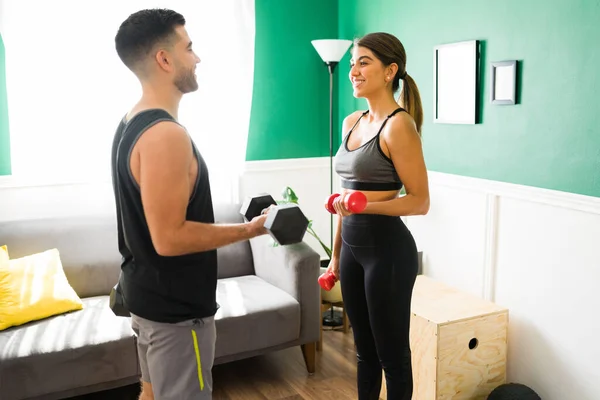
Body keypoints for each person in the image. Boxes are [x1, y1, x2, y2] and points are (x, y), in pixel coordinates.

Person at [111, 9, 269, 400]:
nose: (197, 58)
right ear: (164, 60)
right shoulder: (166, 135)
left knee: (150, 395)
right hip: (177, 317)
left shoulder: (129, 121)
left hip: (145, 301)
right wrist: (249, 230)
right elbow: (169, 238)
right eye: (189, 47)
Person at [327, 32, 430, 400]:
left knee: (393, 357)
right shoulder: (351, 122)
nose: (353, 70)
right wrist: (336, 258)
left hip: (388, 252)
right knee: (363, 353)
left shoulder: (399, 125)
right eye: (353, 62)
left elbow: (419, 201)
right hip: (354, 250)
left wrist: (365, 205)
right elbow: (345, 199)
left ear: (390, 71)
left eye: (363, 62)